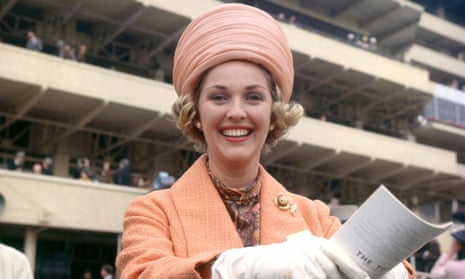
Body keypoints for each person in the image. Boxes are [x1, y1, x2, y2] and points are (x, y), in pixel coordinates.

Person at [115, 3, 414, 278]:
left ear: (273, 114)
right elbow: (142, 272)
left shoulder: (316, 216)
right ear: (195, 113)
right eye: (218, 97)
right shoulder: (154, 211)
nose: (236, 112)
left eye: (253, 97)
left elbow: (388, 264)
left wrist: (391, 273)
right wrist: (232, 269)